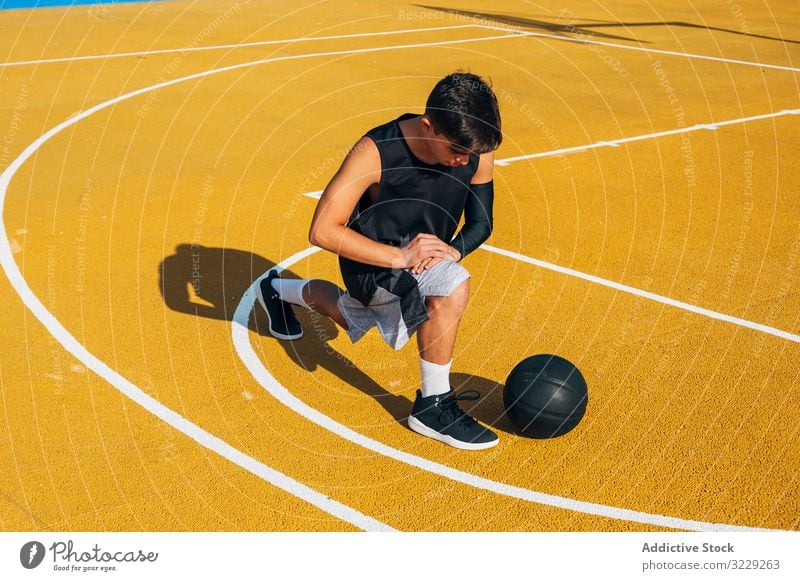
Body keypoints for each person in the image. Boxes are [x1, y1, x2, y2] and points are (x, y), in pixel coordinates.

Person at [256, 71, 502, 450]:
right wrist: (399, 256)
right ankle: (432, 406)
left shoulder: (473, 145)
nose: (464, 160)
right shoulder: (374, 152)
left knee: (350, 313)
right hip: (372, 262)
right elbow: (322, 230)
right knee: (446, 286)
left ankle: (276, 288)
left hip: (420, 259)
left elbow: (482, 222)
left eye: (471, 153)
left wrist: (454, 249)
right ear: (428, 126)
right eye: (457, 150)